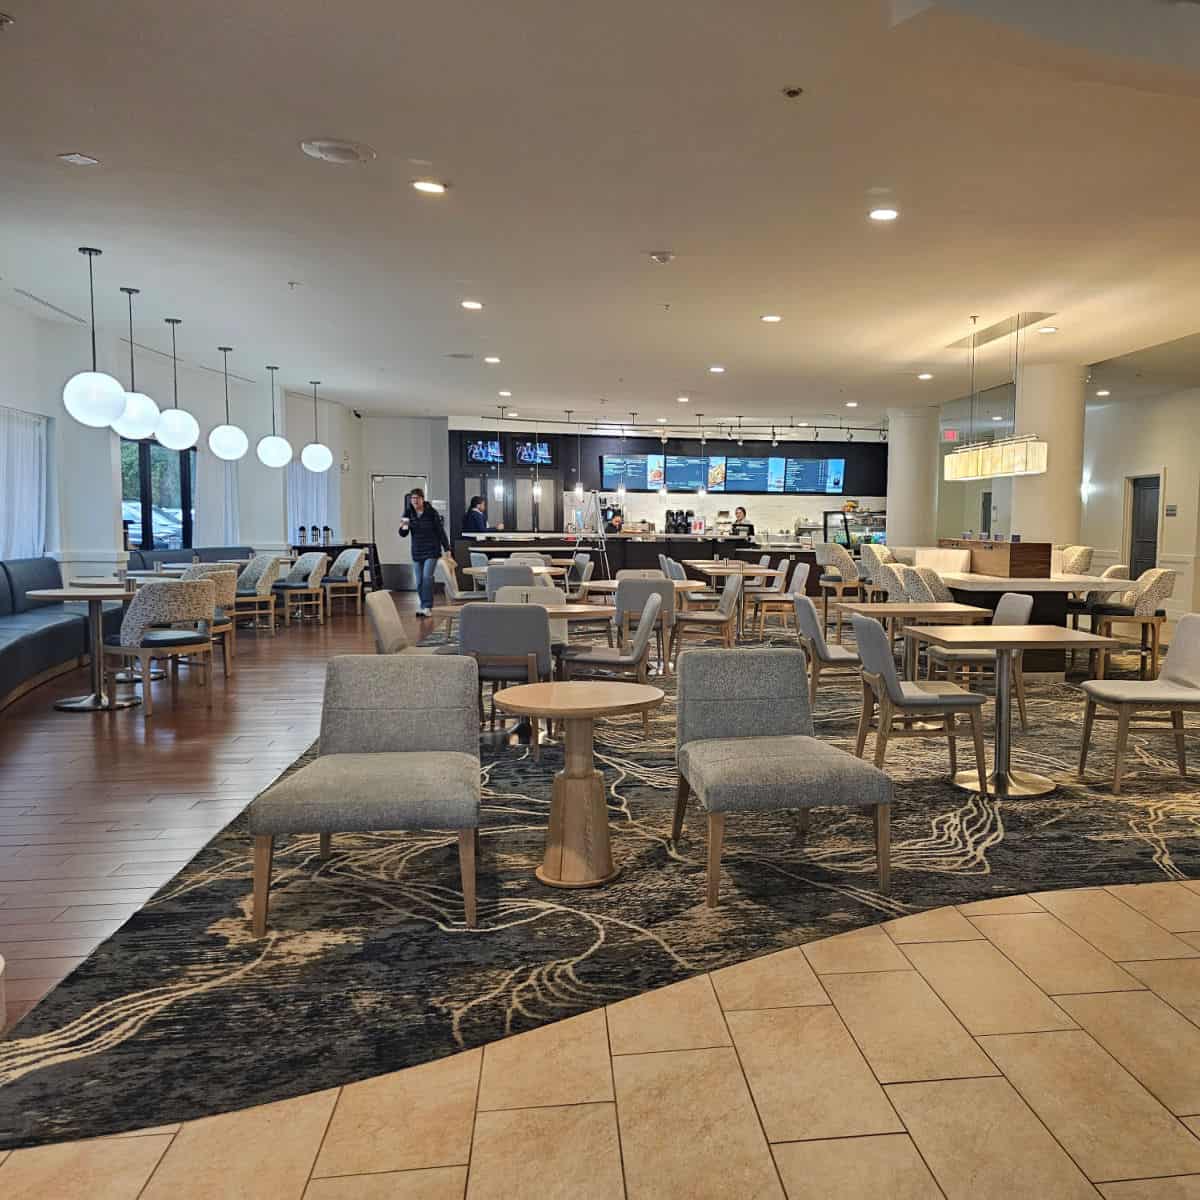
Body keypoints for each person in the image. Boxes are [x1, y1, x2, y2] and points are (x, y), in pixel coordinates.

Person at [398, 487, 450, 617]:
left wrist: (447, 548)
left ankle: (427, 606)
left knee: (427, 578)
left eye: (417, 498)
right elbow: (403, 534)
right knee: (419, 581)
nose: (414, 501)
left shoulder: (432, 512)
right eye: (412, 498)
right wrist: (403, 527)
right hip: (417, 551)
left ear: (422, 499)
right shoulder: (408, 513)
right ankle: (423, 606)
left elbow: (440, 531)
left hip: (432, 550)